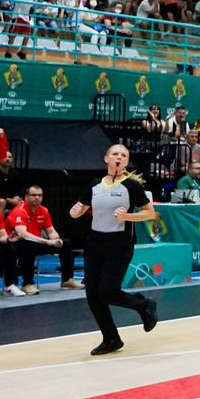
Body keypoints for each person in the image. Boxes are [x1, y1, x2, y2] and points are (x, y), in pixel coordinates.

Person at [69, 144, 159, 355]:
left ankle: (144, 304)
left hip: (119, 244)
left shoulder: (132, 186)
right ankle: (111, 339)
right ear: (106, 158)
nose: (119, 157)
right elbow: (80, 208)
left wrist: (127, 216)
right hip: (94, 243)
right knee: (93, 295)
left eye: (123, 155)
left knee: (107, 291)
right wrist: (76, 212)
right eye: (115, 153)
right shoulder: (94, 185)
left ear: (126, 162)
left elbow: (150, 213)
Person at [8, 185, 75, 294]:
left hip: (37, 242)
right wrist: (47, 241)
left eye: (39, 195)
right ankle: (28, 284)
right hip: (17, 245)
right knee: (28, 244)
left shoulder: (43, 210)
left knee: (66, 243)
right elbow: (23, 234)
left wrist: (56, 240)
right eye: (33, 195)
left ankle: (67, 280)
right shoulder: (19, 211)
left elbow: (50, 231)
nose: (37, 198)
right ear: (26, 197)